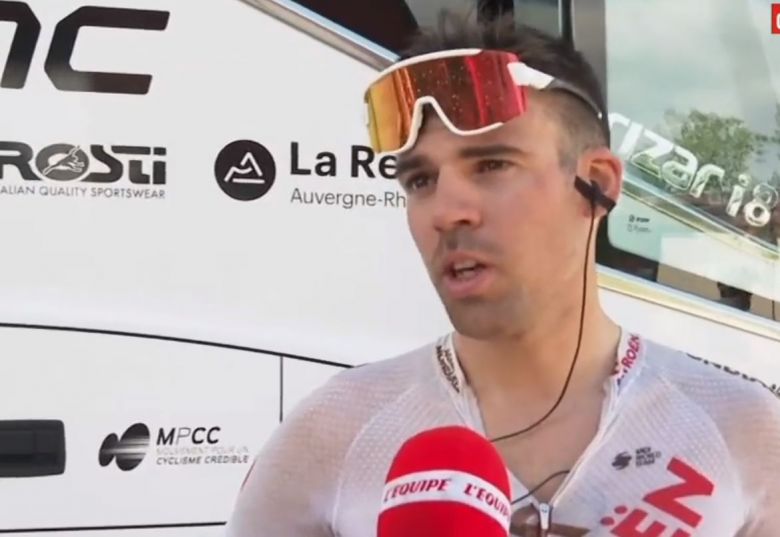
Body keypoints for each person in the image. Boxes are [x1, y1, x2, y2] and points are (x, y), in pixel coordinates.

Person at [225, 10, 780, 537]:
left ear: (597, 184)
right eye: (420, 181)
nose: (446, 211)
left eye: (491, 165)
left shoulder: (742, 427)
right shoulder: (333, 432)